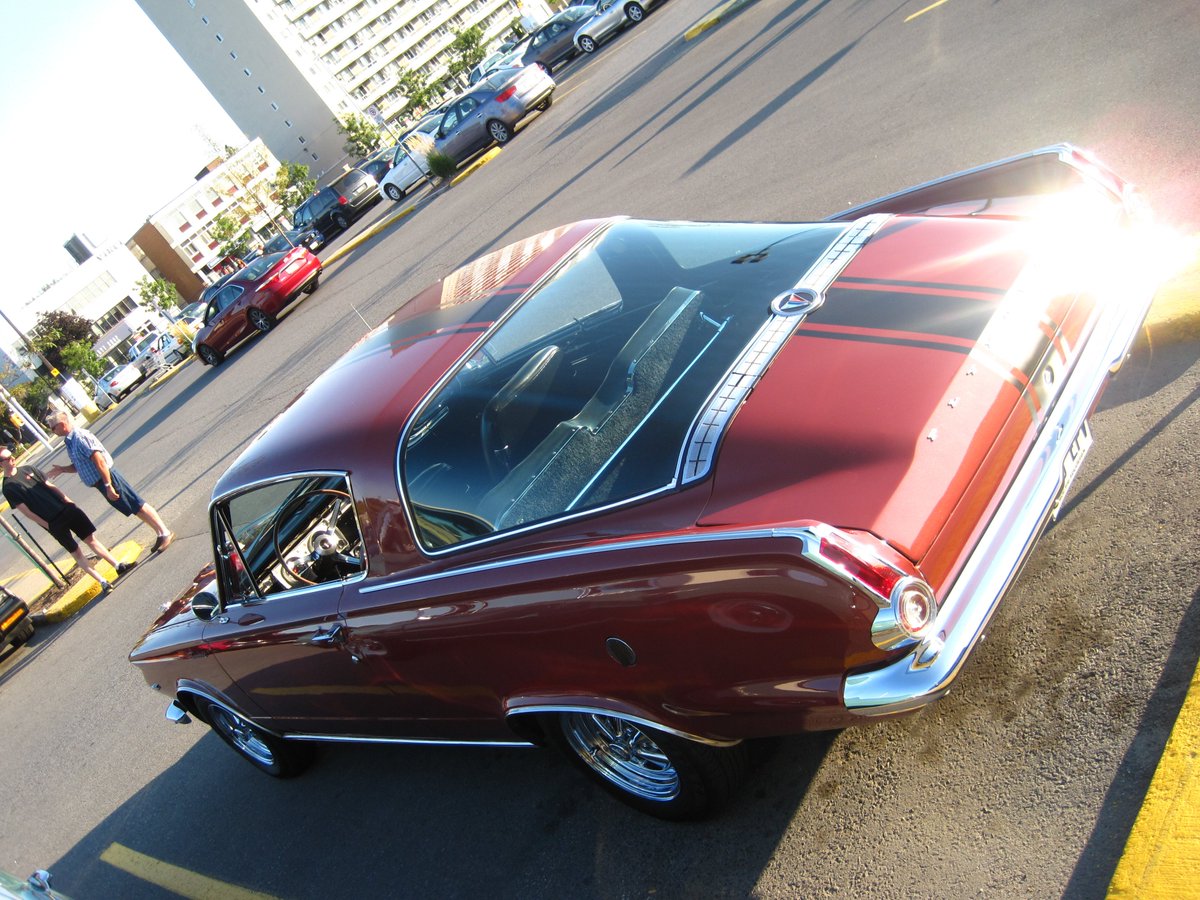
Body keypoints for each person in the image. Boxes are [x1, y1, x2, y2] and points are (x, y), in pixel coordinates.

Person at [1, 447, 132, 594]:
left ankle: (117, 565)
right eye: (7, 458)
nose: (12, 459)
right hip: (53, 522)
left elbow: (50, 485)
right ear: (1, 464)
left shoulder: (28, 469)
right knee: (76, 551)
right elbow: (27, 512)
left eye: (12, 456)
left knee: (91, 539)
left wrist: (68, 501)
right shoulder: (8, 487)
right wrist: (48, 525)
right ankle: (102, 581)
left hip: (66, 509)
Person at [43, 412, 174, 552]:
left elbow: (99, 461)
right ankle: (159, 533)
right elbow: (80, 465)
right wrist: (62, 469)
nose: (52, 431)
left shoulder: (80, 437)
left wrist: (108, 485)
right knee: (133, 508)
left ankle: (165, 532)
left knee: (137, 504)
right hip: (101, 482)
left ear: (62, 424)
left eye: (53, 428)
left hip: (108, 478)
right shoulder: (70, 441)